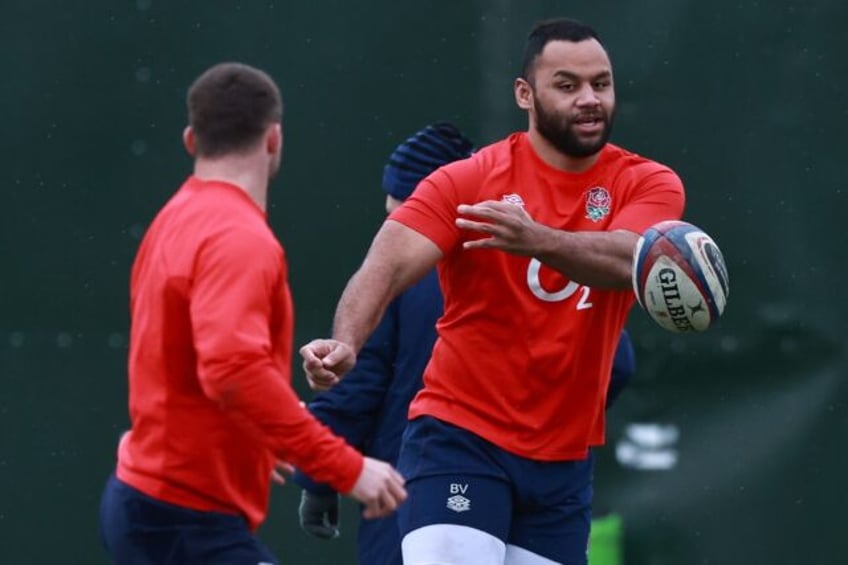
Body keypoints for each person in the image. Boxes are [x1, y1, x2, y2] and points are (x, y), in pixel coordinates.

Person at [301, 17, 685, 565]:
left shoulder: (647, 182)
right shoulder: (470, 180)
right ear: (524, 94)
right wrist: (346, 343)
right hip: (461, 438)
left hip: (562, 463)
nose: (590, 99)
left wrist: (535, 239)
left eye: (601, 83)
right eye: (568, 85)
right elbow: (384, 265)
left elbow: (629, 259)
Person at [98, 62, 406, 565]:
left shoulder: (176, 216)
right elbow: (233, 371)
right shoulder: (237, 237)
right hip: (182, 519)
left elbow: (189, 360)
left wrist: (256, 437)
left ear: (190, 140)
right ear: (274, 138)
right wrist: (346, 468)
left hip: (152, 506)